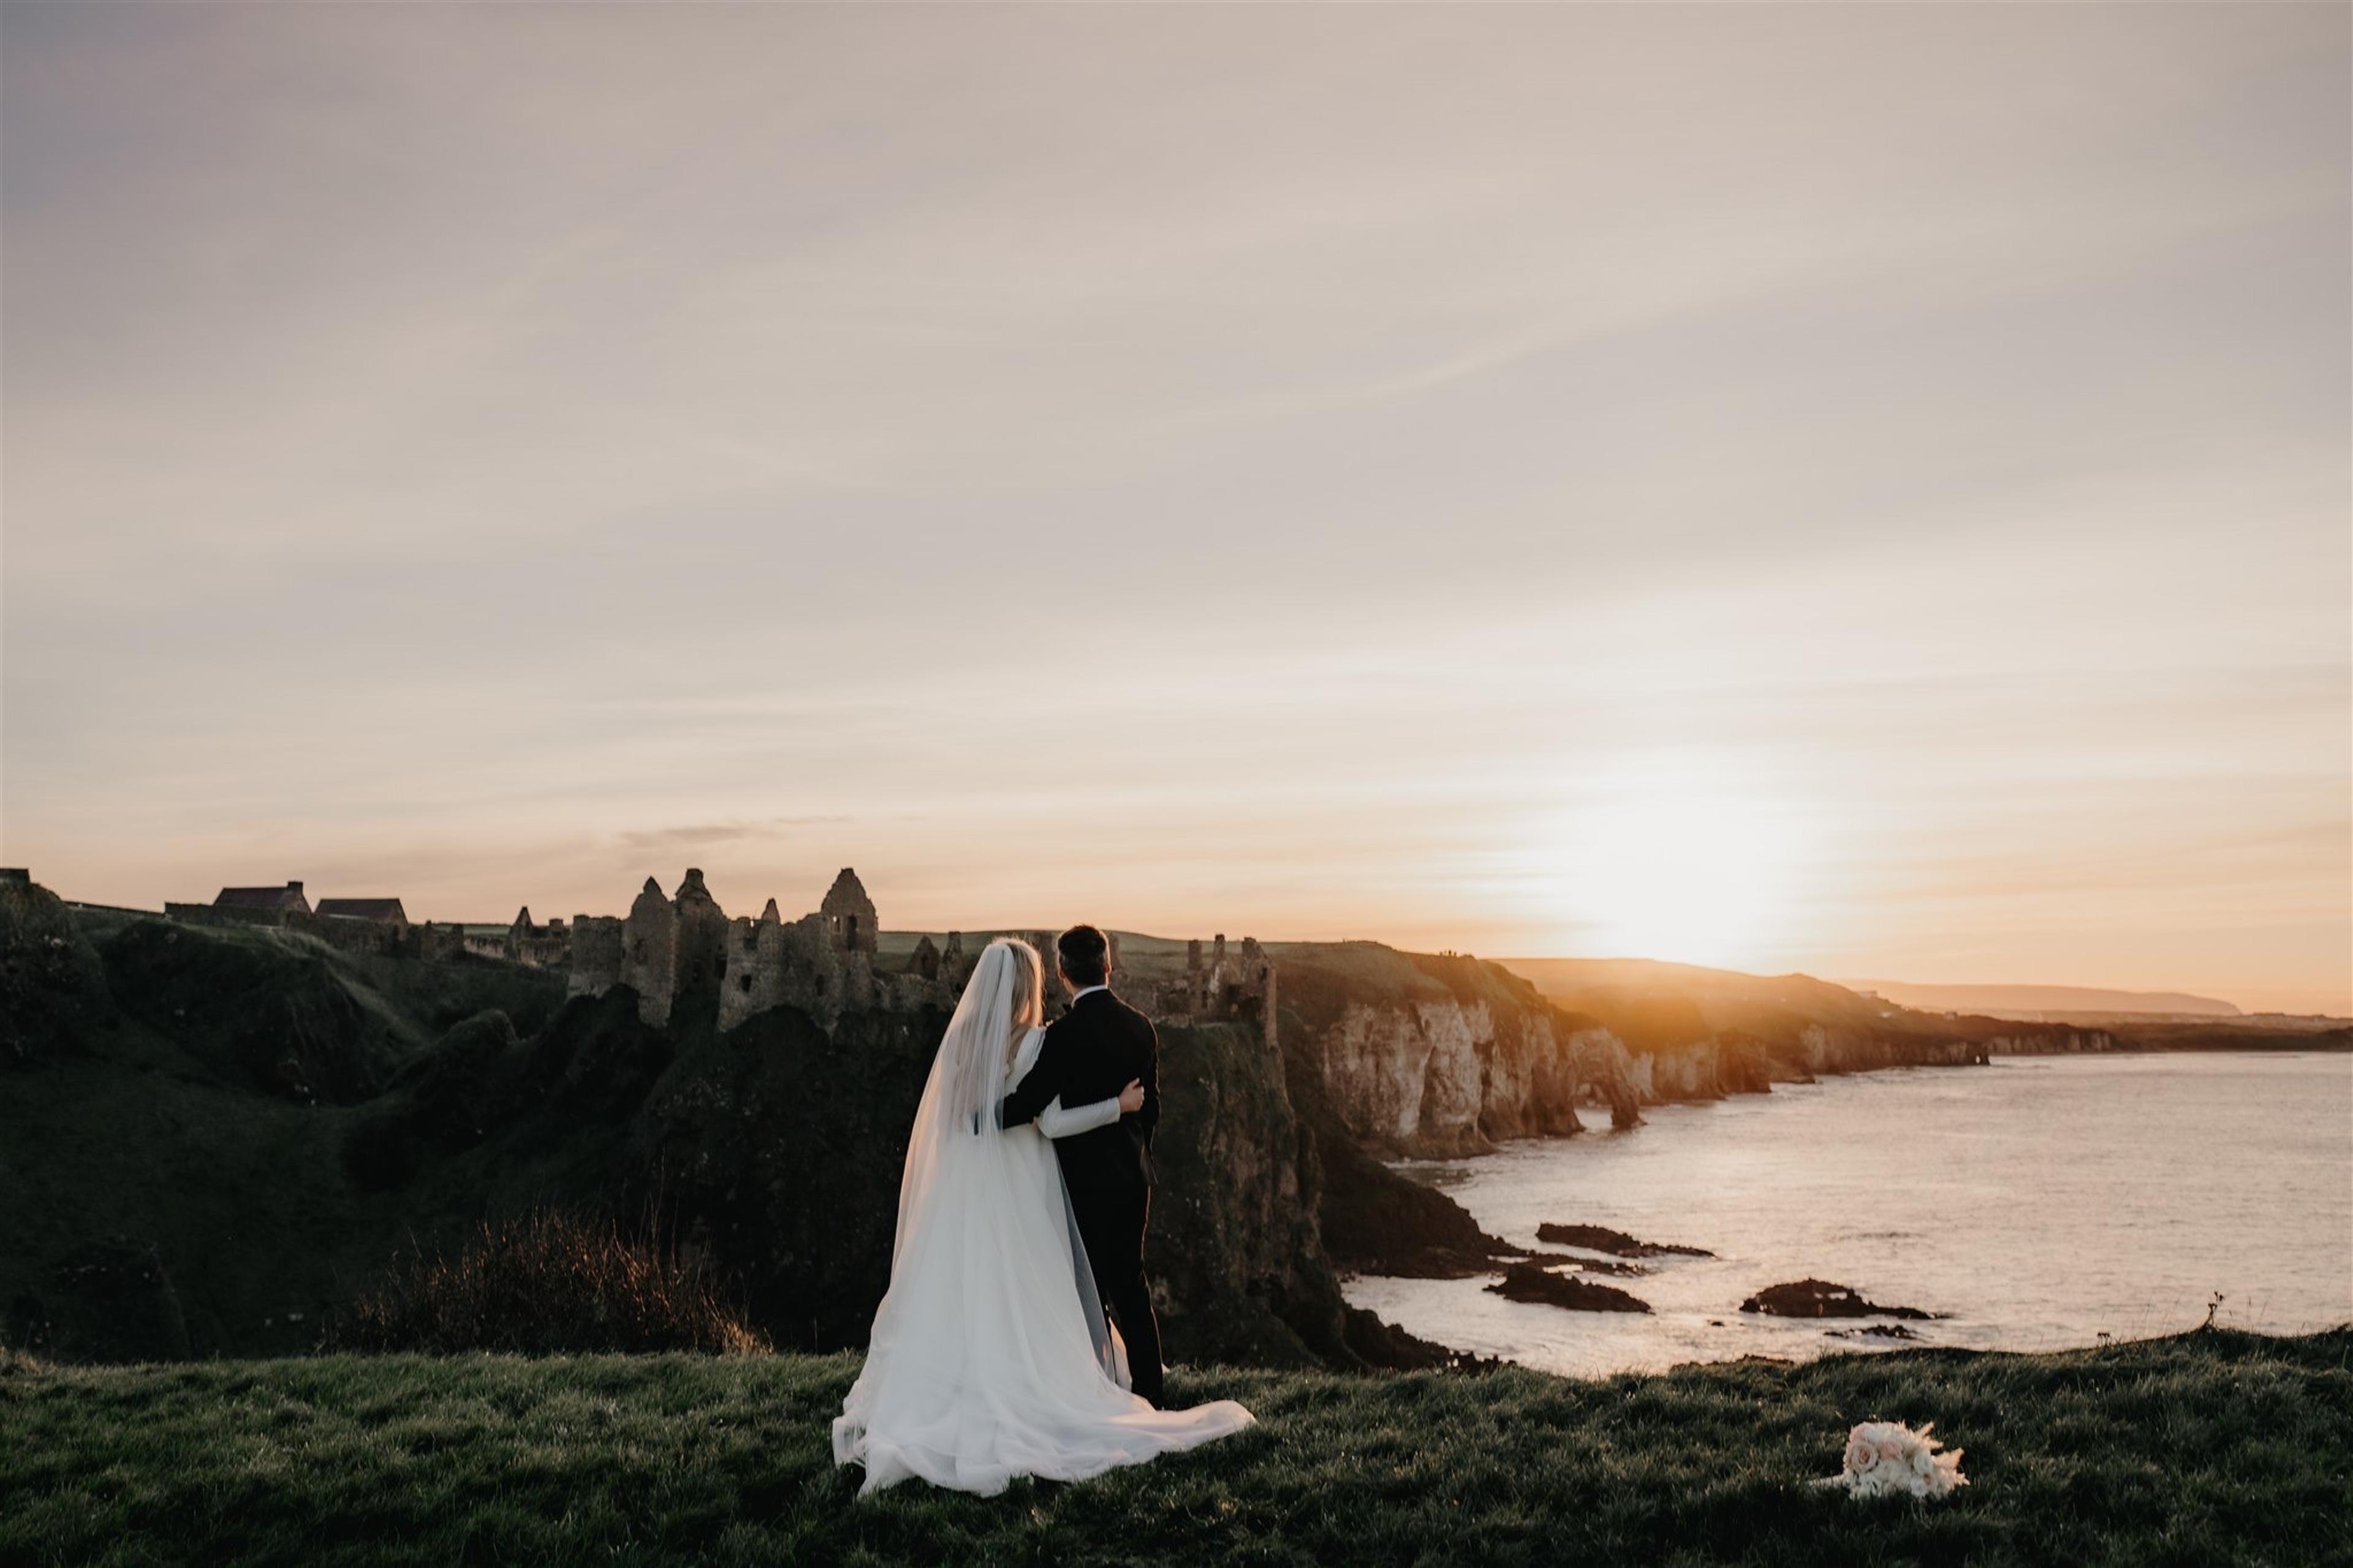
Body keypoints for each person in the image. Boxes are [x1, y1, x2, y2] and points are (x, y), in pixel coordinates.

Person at [832, 937, 1252, 1496]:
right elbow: (1054, 1121)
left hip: (970, 1179)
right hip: (1041, 1179)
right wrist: (1122, 1115)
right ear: (1041, 982)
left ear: (1061, 970)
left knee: (972, 1282)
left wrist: (985, 1122)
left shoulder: (962, 1042)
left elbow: (970, 1115)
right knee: (1058, 1283)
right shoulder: (1043, 1041)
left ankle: (963, 1384)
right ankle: (1115, 1384)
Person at [996, 924, 1169, 1406]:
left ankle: (1094, 1389)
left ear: (1061, 972)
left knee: (1085, 1289)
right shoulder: (1141, 1027)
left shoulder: (1062, 1037)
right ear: (1108, 966)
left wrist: (973, 1119)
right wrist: (1132, 1150)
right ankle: (1151, 1391)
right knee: (1131, 1283)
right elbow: (1150, 1109)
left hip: (1081, 1182)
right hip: (1132, 1178)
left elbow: (1029, 1103)